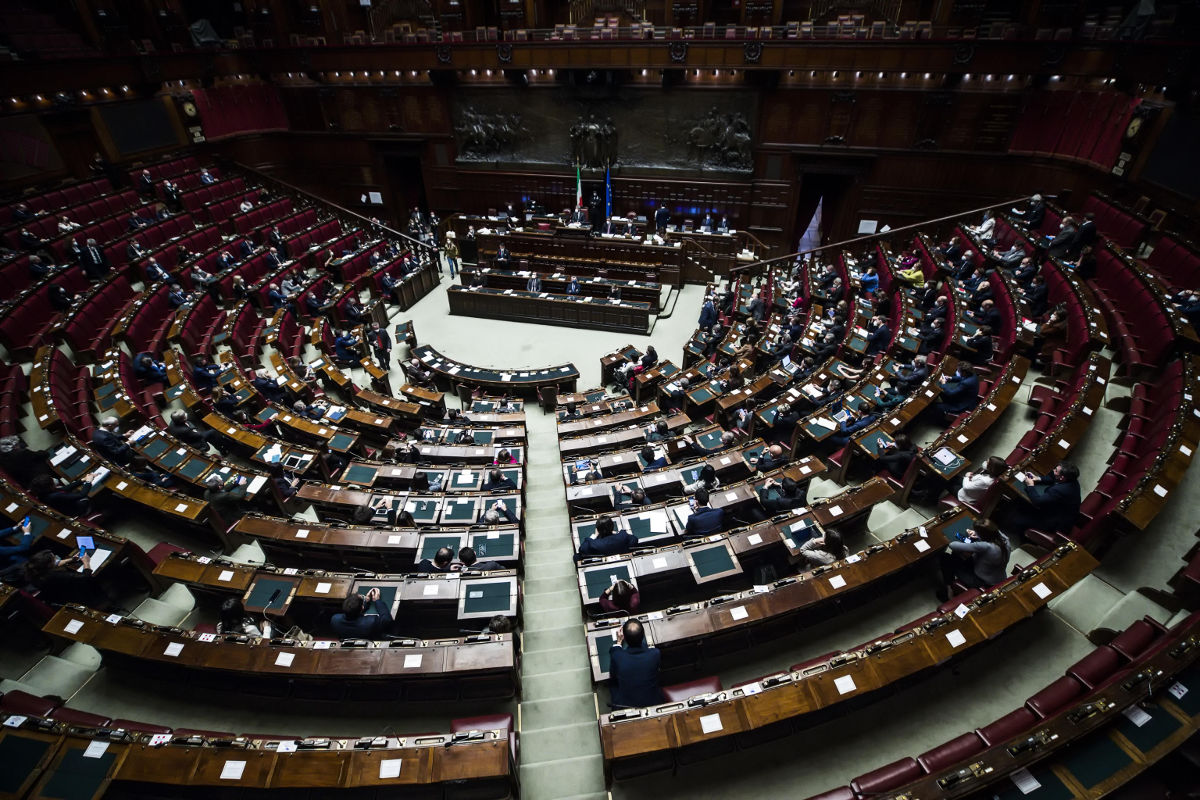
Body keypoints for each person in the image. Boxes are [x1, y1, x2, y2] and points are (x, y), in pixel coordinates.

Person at [936, 519, 1011, 601]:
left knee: (945, 557)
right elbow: (993, 532)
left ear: (984, 535)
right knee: (957, 554)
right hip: (998, 577)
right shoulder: (1005, 538)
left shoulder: (985, 546)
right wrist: (978, 534)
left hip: (980, 580)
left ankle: (949, 590)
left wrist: (978, 535)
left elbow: (952, 545)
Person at [1005, 462, 1082, 539]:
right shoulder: (1072, 479)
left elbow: (1038, 502)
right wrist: (1037, 478)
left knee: (1016, 519)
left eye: (1055, 470)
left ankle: (1025, 538)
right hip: (1057, 511)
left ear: (1062, 477)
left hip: (1055, 523)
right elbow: (1052, 478)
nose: (1053, 470)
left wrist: (1030, 485)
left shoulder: (1060, 490)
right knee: (1020, 502)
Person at [608, 619, 663, 708]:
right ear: (643, 635)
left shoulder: (617, 656)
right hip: (653, 702)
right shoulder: (655, 654)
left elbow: (613, 674)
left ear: (624, 637)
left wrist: (618, 642)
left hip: (625, 705)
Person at [22, 549, 106, 607]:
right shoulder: (55, 575)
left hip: (57, 596)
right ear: (48, 565)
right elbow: (85, 577)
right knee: (92, 581)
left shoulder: (34, 573)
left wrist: (71, 560)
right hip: (73, 596)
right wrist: (86, 562)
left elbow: (54, 564)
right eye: (54, 558)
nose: (56, 557)